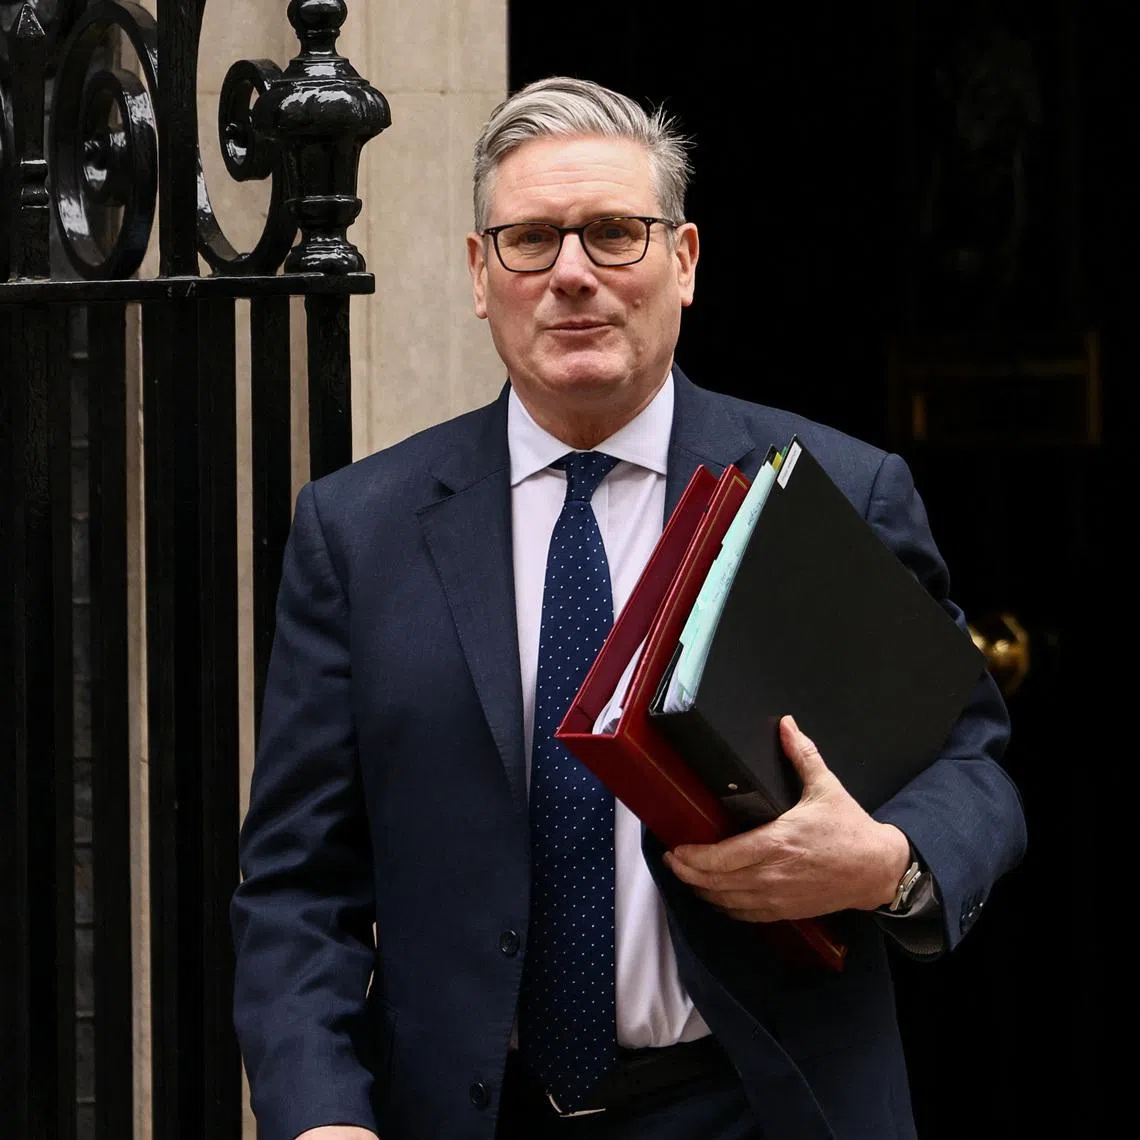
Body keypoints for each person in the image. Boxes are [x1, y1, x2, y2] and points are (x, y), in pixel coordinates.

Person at [231, 77, 1026, 1140]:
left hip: (759, 1107)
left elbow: (970, 759)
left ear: (684, 261)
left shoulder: (830, 488)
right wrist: (321, 1118)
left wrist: (886, 861)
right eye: (530, 240)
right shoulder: (358, 533)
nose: (571, 275)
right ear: (480, 274)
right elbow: (295, 888)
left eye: (614, 233)